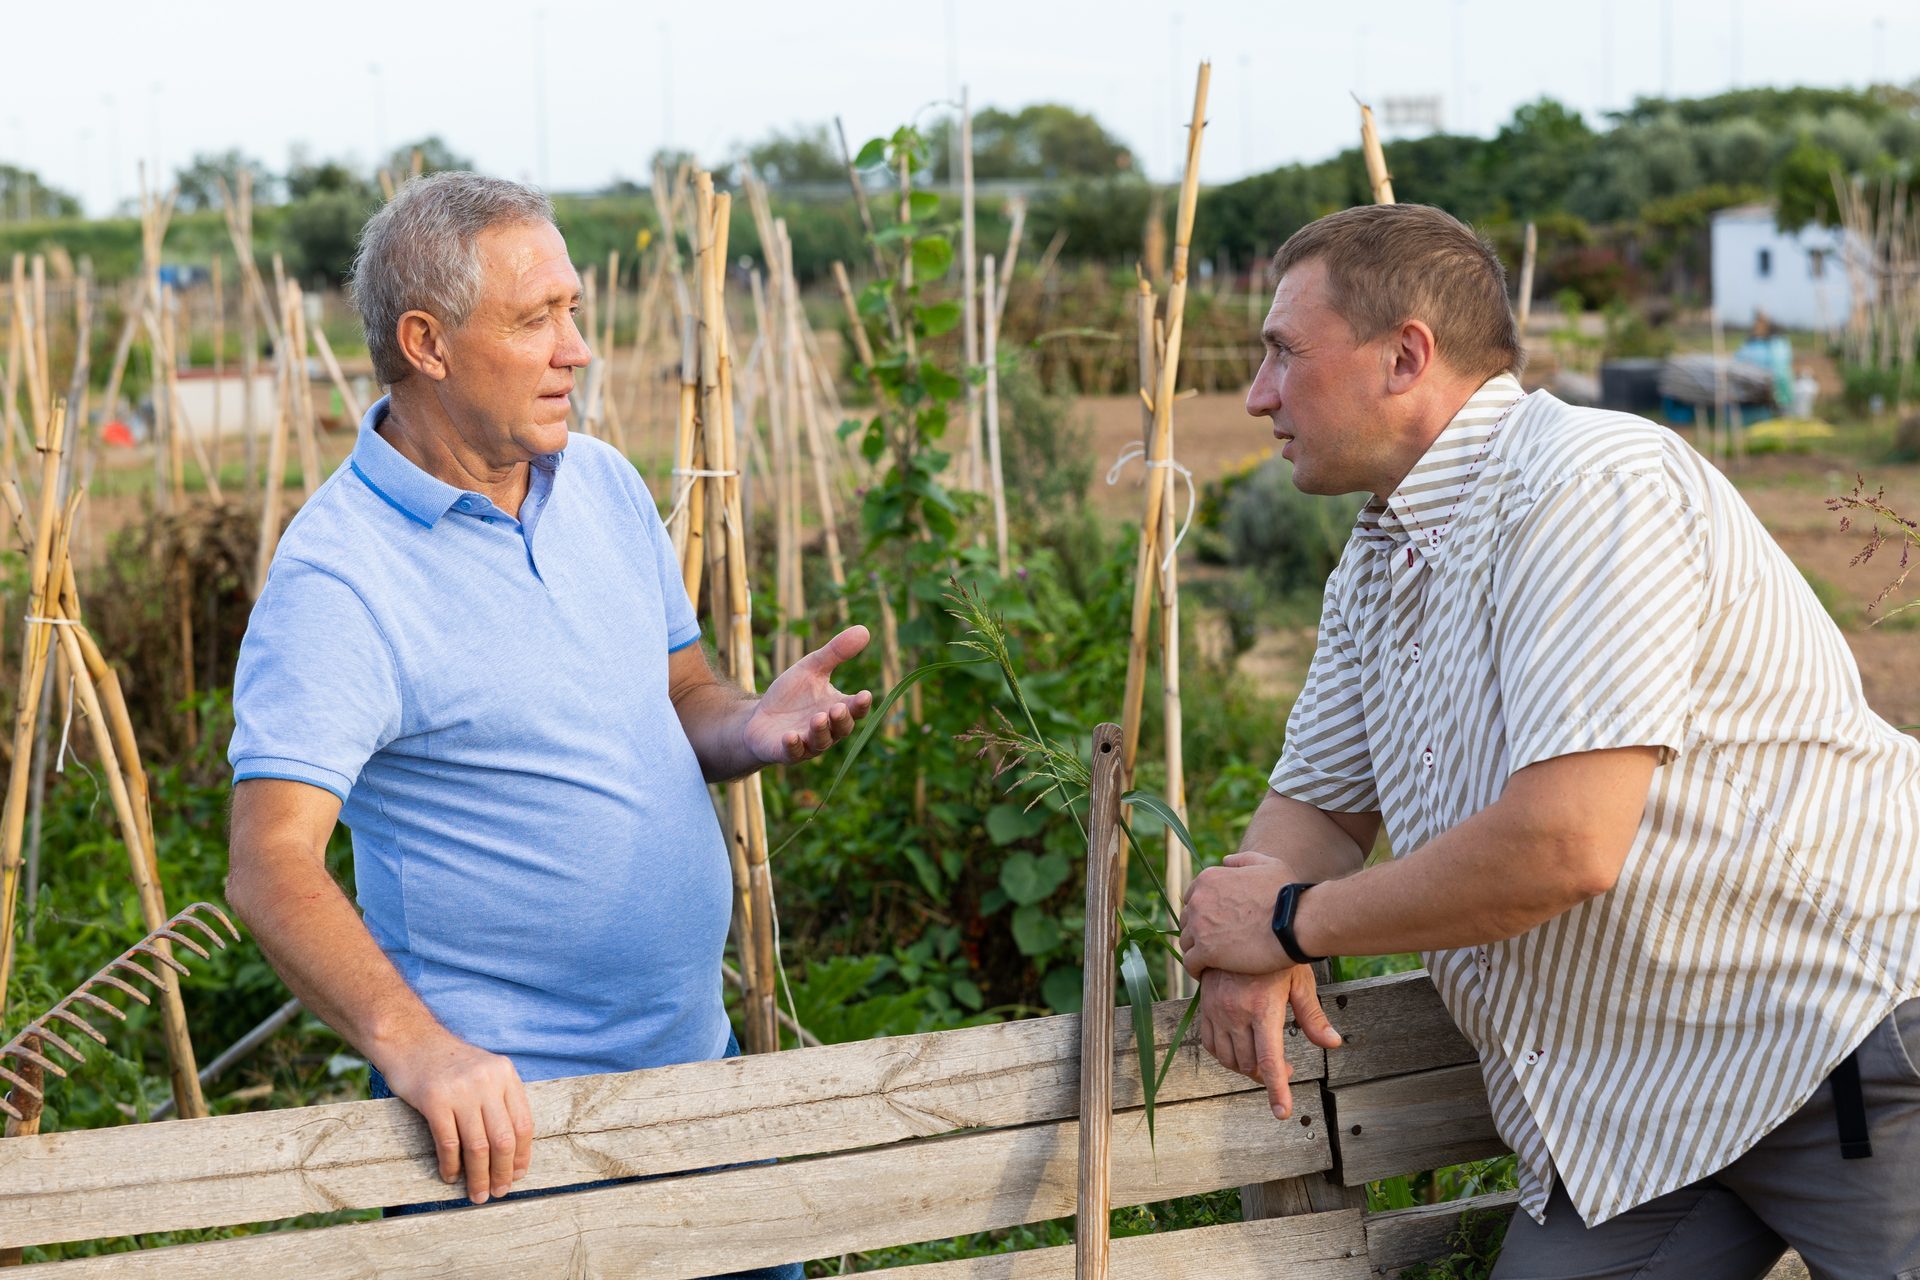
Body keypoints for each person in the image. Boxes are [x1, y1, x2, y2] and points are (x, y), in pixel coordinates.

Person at [1178, 202, 1920, 1276]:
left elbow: (1565, 844)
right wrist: (1252, 932)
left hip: (1838, 1037)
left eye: (1283, 352)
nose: (1258, 394)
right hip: (1634, 1104)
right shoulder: (1378, 557)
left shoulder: (1587, 484)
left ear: (1405, 357)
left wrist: (1289, 922)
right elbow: (1321, 809)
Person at [225, 174, 868, 1272]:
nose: (579, 349)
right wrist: (419, 1049)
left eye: (573, 309)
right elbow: (269, 861)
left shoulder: (602, 483)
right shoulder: (341, 577)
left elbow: (681, 695)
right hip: (505, 1130)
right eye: (537, 320)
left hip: (697, 1076)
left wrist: (750, 726)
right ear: (426, 343)